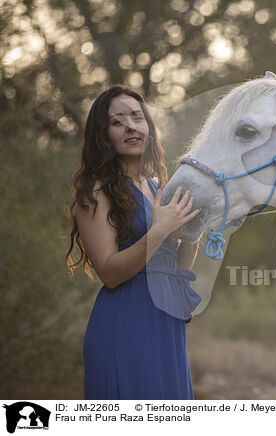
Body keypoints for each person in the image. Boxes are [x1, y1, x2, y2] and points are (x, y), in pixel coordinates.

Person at [65, 85, 202, 400]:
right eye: (118, 121)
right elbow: (110, 273)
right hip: (126, 321)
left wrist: (194, 228)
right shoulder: (95, 191)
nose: (130, 126)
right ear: (104, 134)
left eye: (137, 117)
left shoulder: (160, 189)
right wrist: (159, 231)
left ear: (149, 128)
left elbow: (175, 268)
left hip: (167, 323)